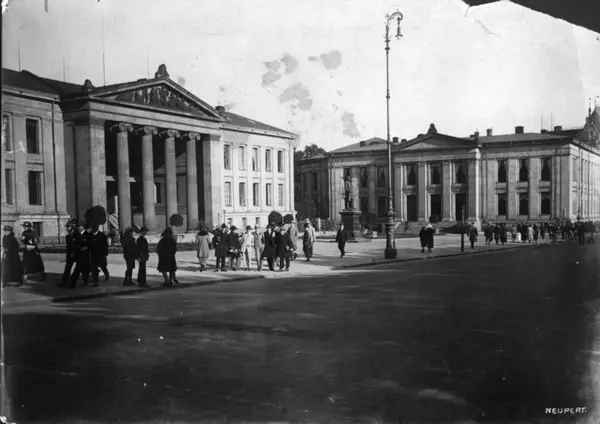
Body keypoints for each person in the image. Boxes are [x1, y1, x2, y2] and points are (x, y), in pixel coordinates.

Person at [68, 223, 91, 288]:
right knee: (77, 269)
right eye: (78, 227)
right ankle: (72, 283)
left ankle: (85, 280)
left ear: (83, 227)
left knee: (85, 269)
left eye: (80, 226)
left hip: (85, 255)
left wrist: (85, 248)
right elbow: (74, 243)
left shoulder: (87, 234)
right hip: (78, 255)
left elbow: (90, 244)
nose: (78, 228)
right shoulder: (76, 234)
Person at [60, 219, 78, 285]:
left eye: (68, 227)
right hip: (70, 254)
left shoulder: (77, 235)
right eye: (66, 227)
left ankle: (85, 279)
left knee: (80, 268)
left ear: (73, 227)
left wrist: (74, 252)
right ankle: (65, 280)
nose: (67, 228)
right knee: (67, 267)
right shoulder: (68, 236)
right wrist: (68, 255)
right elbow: (68, 247)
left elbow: (78, 245)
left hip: (77, 254)